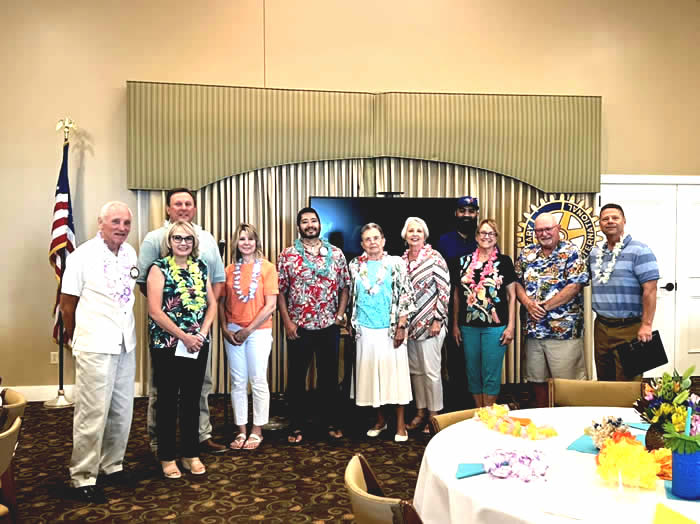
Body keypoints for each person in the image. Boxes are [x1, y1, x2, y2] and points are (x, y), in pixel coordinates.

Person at [136, 188, 227, 454]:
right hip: (167, 334)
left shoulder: (207, 239)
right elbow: (145, 284)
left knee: (199, 387)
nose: (183, 208)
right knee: (162, 390)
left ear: (194, 208)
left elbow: (217, 281)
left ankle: (199, 436)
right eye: (178, 203)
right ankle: (159, 441)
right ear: (168, 208)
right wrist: (173, 312)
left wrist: (201, 323)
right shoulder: (154, 238)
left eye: (188, 203)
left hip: (198, 333)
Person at [60, 201, 137, 503]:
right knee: (92, 413)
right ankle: (82, 475)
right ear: (100, 223)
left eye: (126, 223)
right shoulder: (81, 256)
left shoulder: (130, 253)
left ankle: (112, 465)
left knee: (122, 411)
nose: (122, 228)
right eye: (115, 221)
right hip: (95, 344)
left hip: (125, 343)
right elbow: (67, 304)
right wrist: (75, 336)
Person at [146, 221, 218, 479]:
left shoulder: (201, 267)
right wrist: (183, 337)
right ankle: (167, 457)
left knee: (192, 400)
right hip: (167, 344)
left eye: (188, 238)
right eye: (178, 238)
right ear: (169, 241)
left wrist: (202, 334)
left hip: (197, 344)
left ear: (194, 242)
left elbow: (212, 304)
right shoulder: (158, 268)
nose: (183, 242)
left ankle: (190, 454)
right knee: (167, 401)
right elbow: (155, 311)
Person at [277, 207, 350, 444]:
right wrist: (287, 322)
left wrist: (340, 316)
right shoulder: (287, 255)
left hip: (329, 325)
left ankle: (330, 423)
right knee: (297, 378)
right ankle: (296, 425)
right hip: (299, 326)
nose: (310, 225)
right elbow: (280, 291)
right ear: (298, 226)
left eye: (313, 220)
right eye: (305, 221)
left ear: (319, 224)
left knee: (329, 378)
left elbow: (345, 287)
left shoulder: (336, 254)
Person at [348, 223, 415, 442]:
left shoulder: (396, 263)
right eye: (368, 239)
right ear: (362, 244)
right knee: (371, 377)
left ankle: (400, 425)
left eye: (376, 238)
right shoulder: (355, 265)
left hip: (390, 329)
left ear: (383, 241)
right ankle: (380, 420)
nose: (372, 242)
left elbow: (406, 295)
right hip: (365, 329)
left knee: (395, 378)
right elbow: (352, 296)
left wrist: (401, 326)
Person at [515, 212, 589, 407]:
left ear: (558, 229)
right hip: (533, 331)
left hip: (564, 332)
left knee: (568, 385)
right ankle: (543, 418)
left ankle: (569, 421)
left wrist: (544, 307)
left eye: (548, 229)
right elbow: (516, 282)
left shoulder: (572, 252)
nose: (544, 233)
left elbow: (575, 286)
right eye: (539, 230)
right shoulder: (527, 253)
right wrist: (527, 304)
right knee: (536, 380)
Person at [218, 223, 278, 450]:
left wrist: (249, 330)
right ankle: (241, 430)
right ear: (236, 242)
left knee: (258, 379)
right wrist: (225, 329)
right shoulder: (228, 270)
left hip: (258, 331)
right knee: (238, 381)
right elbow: (220, 302)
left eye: (250, 239)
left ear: (256, 242)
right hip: (233, 331)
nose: (246, 243)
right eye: (242, 239)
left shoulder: (267, 268)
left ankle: (257, 430)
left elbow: (270, 306)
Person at [589, 203, 659, 381]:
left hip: (631, 327)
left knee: (629, 384)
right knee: (605, 381)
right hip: (602, 327)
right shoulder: (595, 253)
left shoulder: (640, 250)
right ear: (600, 224)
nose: (610, 221)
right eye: (605, 219)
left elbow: (650, 289)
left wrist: (646, 325)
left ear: (624, 221)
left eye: (615, 217)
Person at [452, 219, 516, 407]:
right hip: (468, 326)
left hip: (495, 327)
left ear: (496, 237)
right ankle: (479, 412)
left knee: (491, 372)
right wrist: (455, 325)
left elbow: (512, 296)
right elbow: (456, 296)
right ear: (476, 236)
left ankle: (488, 412)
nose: (486, 237)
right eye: (483, 233)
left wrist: (511, 326)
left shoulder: (504, 262)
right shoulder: (462, 261)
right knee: (472, 372)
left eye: (491, 233)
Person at [400, 217, 450, 433]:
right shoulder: (401, 261)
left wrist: (438, 319)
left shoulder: (434, 258)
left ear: (425, 235)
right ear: (405, 235)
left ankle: (434, 416)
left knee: (431, 372)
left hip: (431, 325)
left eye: (419, 231)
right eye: (411, 230)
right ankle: (420, 412)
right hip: (410, 327)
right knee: (416, 372)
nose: (415, 234)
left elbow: (445, 290)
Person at [437, 195, 479, 411]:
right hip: (452, 308)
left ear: (476, 214)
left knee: (477, 360)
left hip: (480, 309)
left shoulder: (483, 238)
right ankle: (456, 407)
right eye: (462, 211)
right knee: (455, 359)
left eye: (471, 211)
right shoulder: (444, 241)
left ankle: (477, 405)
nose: (466, 215)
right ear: (456, 213)